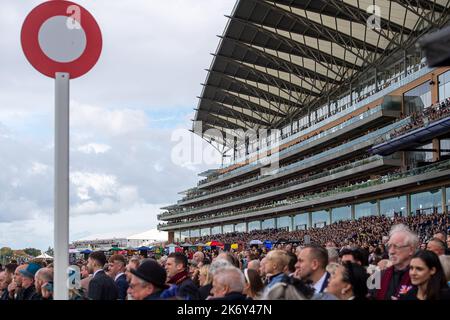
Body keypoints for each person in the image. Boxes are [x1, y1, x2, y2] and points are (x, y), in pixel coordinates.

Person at [375, 224, 417, 300]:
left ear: (411, 249)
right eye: (389, 246)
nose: (391, 251)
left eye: (396, 246)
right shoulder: (380, 275)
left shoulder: (421, 277)